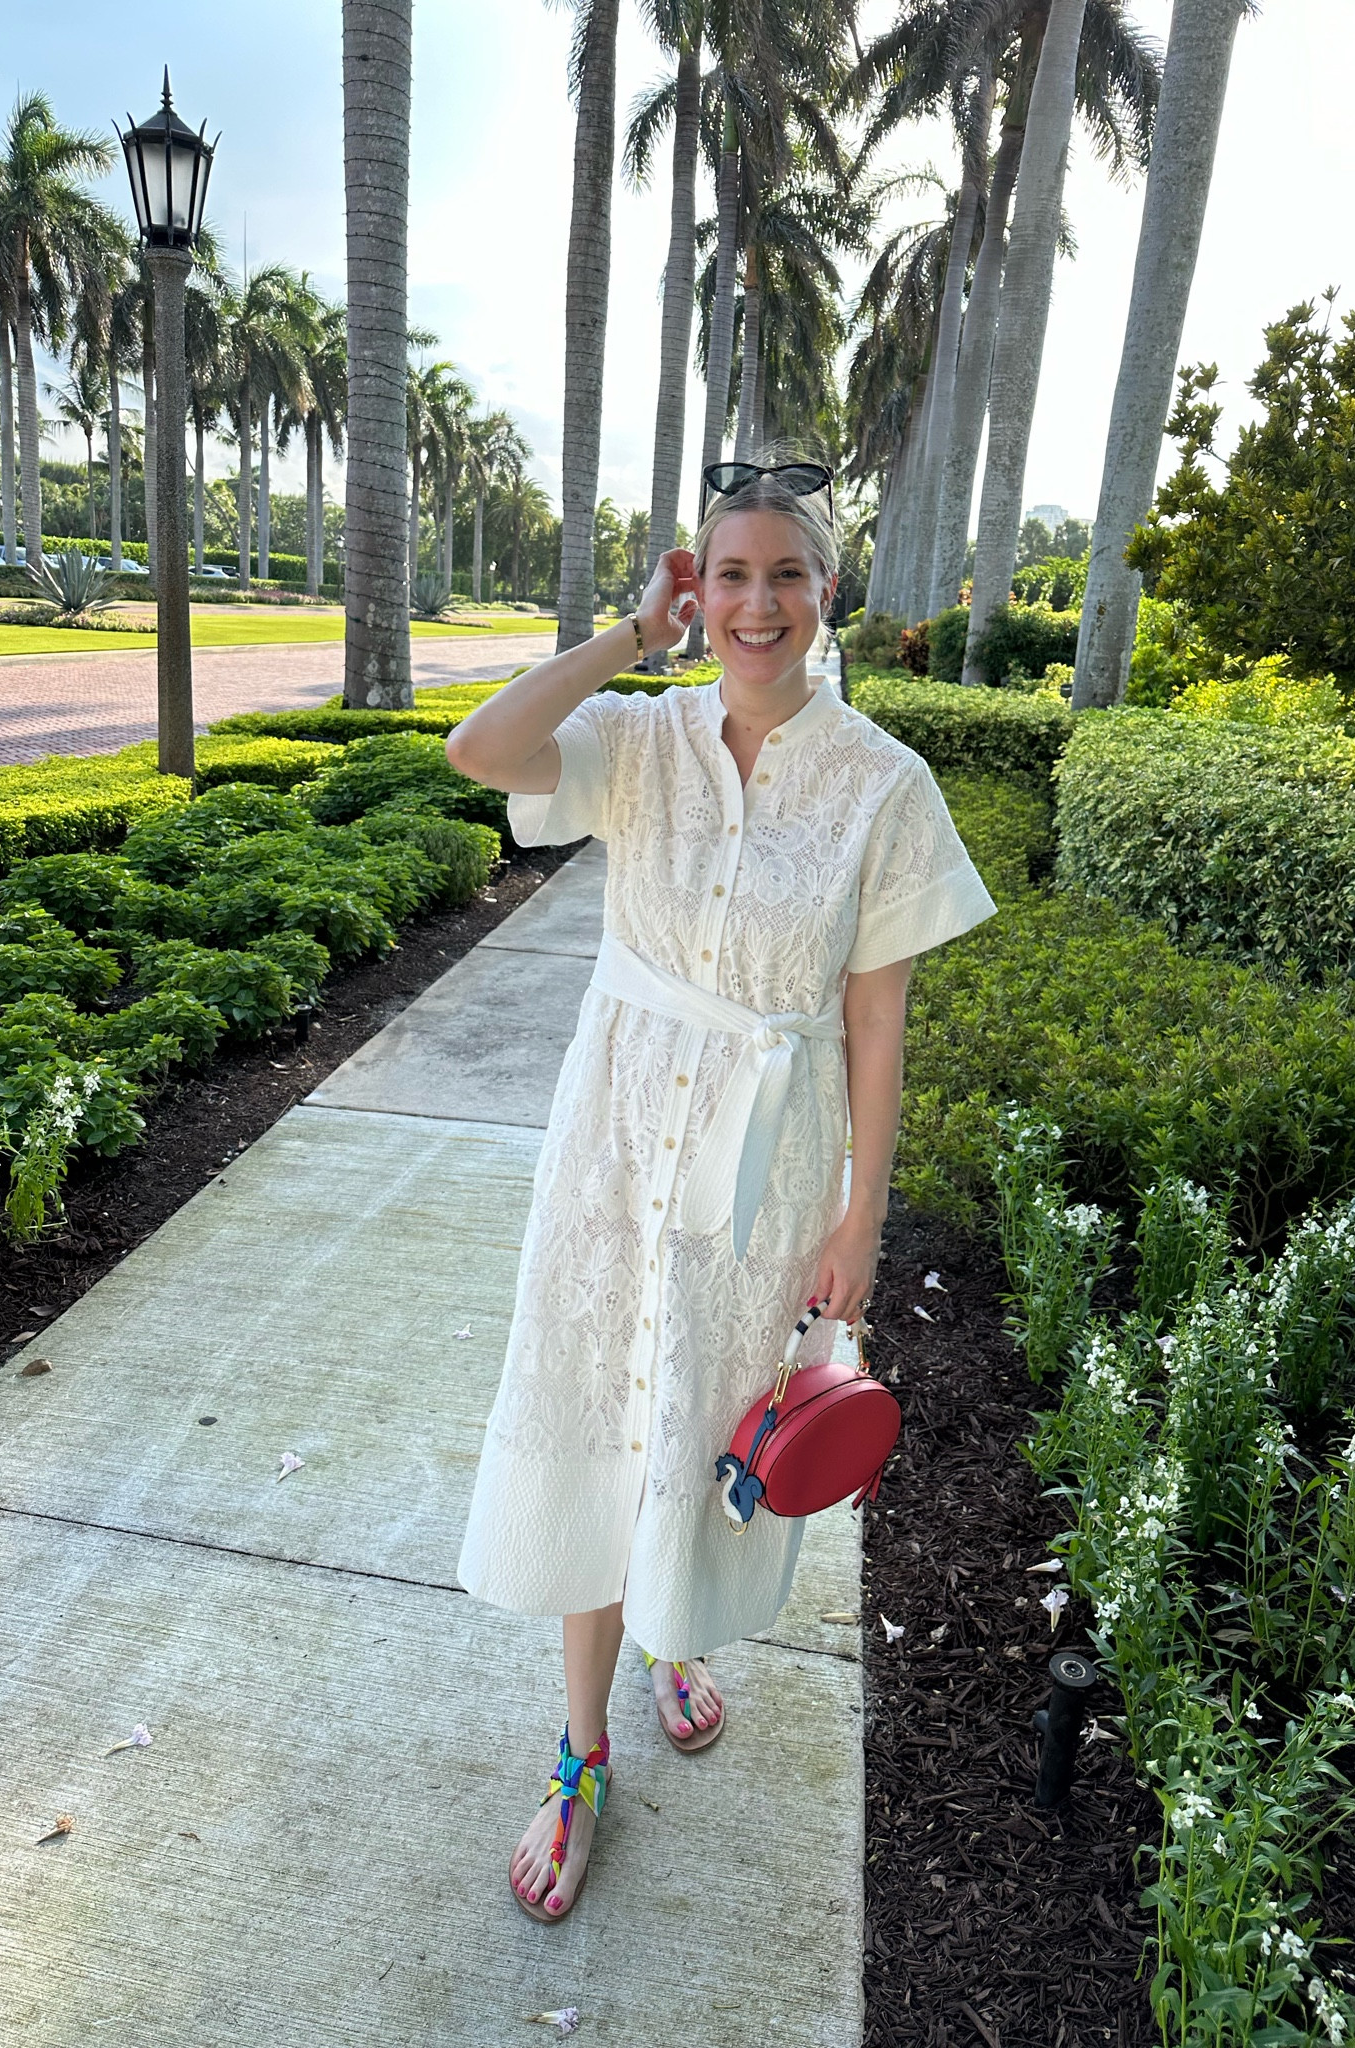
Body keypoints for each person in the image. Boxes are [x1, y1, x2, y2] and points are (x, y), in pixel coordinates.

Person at [445, 457, 995, 1922]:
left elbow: (876, 1020)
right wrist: (634, 633)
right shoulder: (641, 741)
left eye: (788, 576)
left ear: (830, 595)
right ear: (701, 586)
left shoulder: (886, 785)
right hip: (618, 1135)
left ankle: (671, 1632)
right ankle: (580, 1753)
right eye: (731, 575)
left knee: (696, 1417)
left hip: (769, 1156)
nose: (760, 604)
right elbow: (480, 749)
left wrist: (861, 1213)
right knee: (593, 1400)